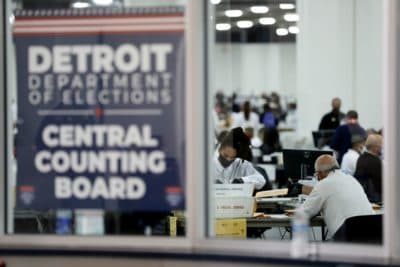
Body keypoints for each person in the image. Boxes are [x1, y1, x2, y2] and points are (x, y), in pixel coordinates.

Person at [300, 155, 374, 239]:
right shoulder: (352, 179)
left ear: (319, 174)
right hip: (372, 236)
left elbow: (304, 212)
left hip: (348, 238)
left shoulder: (323, 184)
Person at [354, 134, 383, 203]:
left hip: (364, 196)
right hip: (376, 198)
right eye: (381, 146)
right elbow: (381, 184)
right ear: (375, 147)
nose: (382, 148)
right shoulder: (375, 162)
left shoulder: (361, 158)